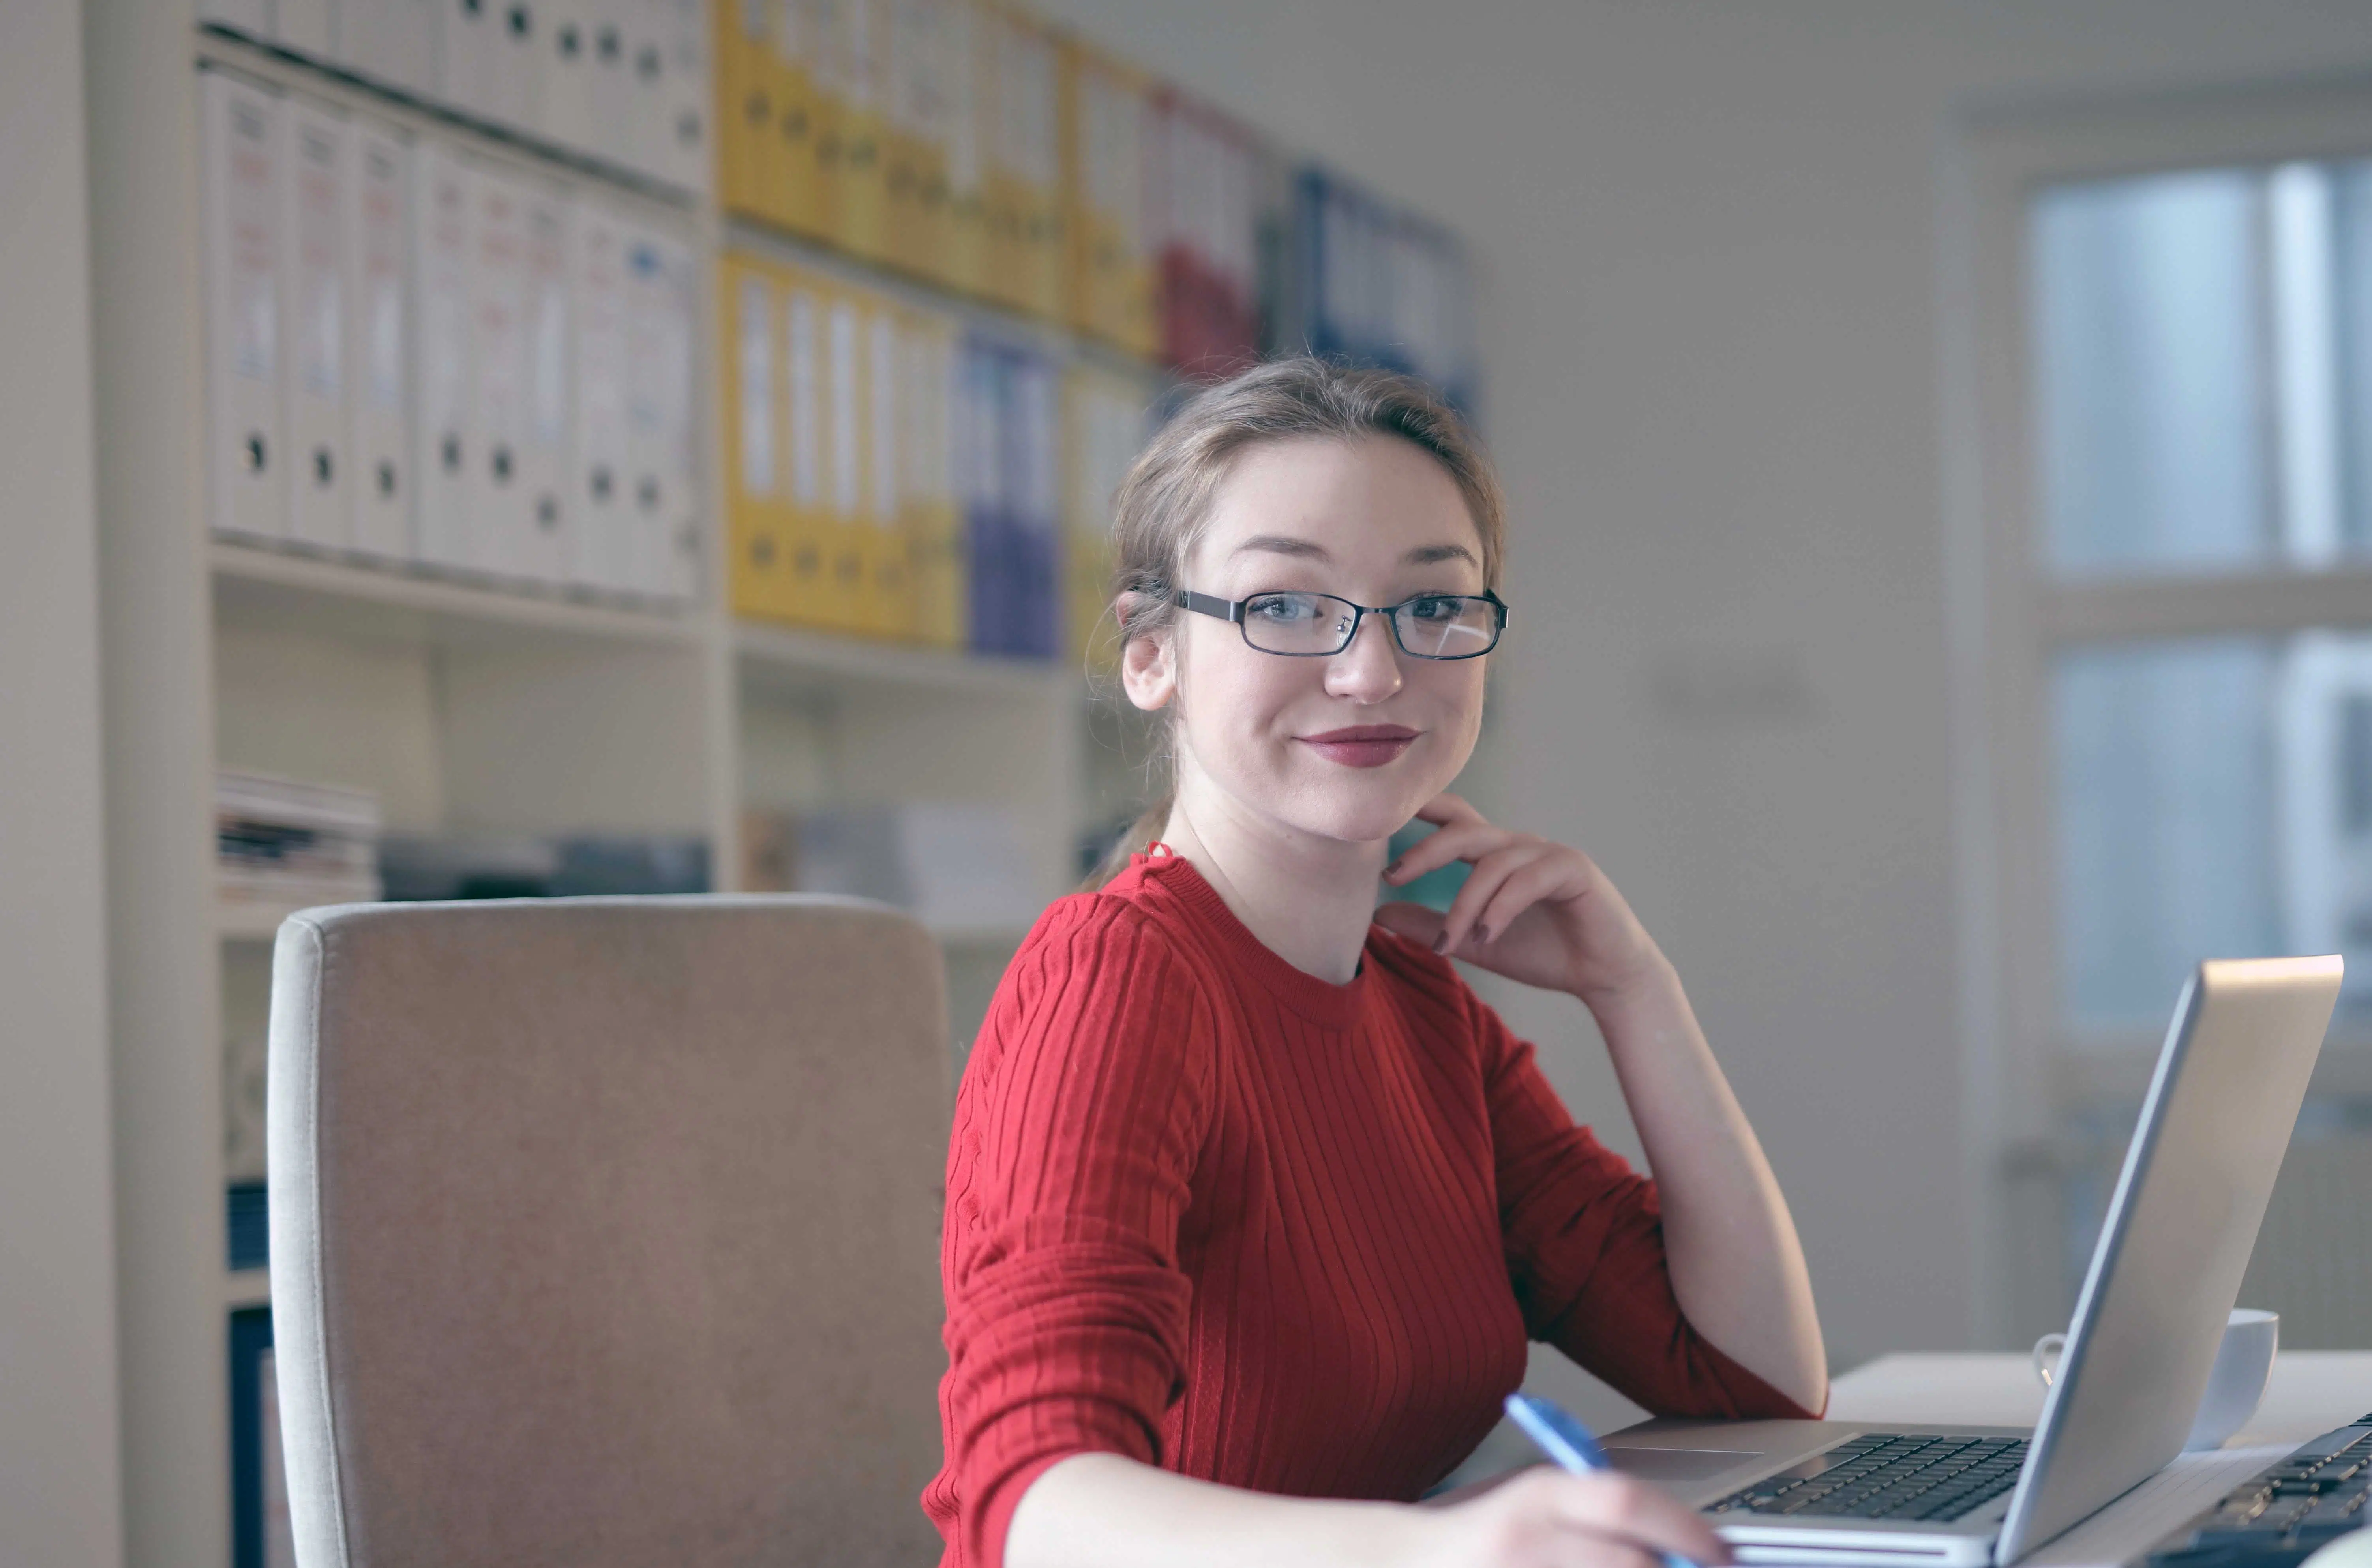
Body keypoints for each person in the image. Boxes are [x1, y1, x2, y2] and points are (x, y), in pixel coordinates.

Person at [924, 358, 1826, 1568]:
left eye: (1431, 606)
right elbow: (1032, 1507)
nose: (1373, 671)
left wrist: (1634, 985)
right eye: (1286, 605)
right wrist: (1439, 1555)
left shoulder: (1422, 1009)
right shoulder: (1118, 976)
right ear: (1152, 656)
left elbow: (1749, 1377)